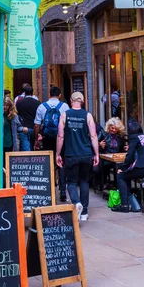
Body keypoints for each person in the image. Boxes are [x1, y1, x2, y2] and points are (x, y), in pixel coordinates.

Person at [56, 92, 99, 221]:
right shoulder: (88, 115)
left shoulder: (65, 115)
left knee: (72, 182)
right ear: (83, 101)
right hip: (86, 154)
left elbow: (60, 136)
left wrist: (58, 154)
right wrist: (96, 154)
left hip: (71, 154)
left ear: (71, 100)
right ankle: (84, 212)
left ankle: (76, 202)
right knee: (84, 181)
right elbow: (93, 136)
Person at [112, 121, 144, 213]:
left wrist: (122, 168)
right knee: (127, 175)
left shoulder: (133, 137)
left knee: (121, 176)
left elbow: (129, 155)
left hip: (143, 168)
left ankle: (124, 205)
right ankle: (136, 201)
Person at [34, 86, 69, 201]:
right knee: (61, 162)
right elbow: (67, 124)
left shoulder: (42, 106)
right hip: (61, 138)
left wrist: (37, 139)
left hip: (47, 138)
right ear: (59, 95)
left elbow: (36, 125)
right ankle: (63, 190)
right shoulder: (64, 106)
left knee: (48, 163)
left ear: (49, 94)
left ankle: (48, 191)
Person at [16, 84, 40, 151]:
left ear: (24, 93)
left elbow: (16, 115)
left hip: (23, 128)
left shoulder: (19, 103)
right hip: (34, 128)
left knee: (26, 150)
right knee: (33, 148)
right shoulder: (38, 103)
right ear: (32, 93)